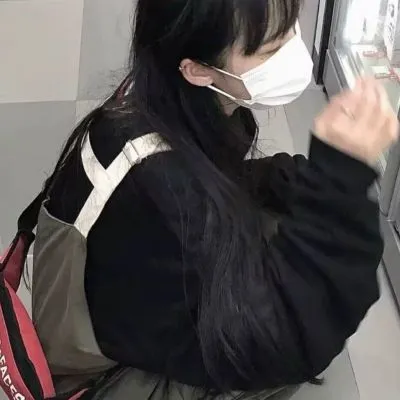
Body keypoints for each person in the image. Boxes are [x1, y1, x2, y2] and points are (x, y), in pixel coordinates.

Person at [31, 0, 398, 399]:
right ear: (198, 70)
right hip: (100, 373)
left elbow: (227, 180)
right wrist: (342, 180)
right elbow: (291, 338)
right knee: (292, 326)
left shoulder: (162, 94)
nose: (293, 50)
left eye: (291, 26)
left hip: (119, 295)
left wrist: (309, 183)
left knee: (282, 232)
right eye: (270, 49)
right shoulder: (164, 190)